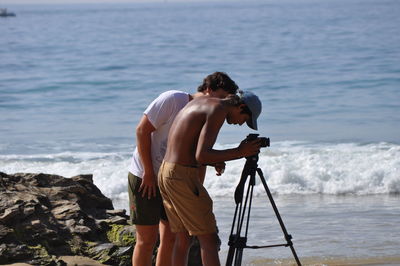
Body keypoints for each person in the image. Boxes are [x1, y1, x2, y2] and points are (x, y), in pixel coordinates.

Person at [128, 72, 239, 266]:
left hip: (173, 180)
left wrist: (202, 178)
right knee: (146, 240)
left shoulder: (207, 113)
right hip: (144, 174)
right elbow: (142, 130)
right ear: (209, 89)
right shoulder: (174, 99)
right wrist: (148, 172)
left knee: (171, 237)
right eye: (221, 97)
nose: (222, 104)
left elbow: (195, 153)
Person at [158, 91, 262, 266]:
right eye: (245, 119)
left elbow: (189, 147)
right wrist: (240, 152)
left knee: (183, 238)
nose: (242, 124)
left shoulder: (207, 102)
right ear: (241, 106)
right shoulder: (218, 110)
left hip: (167, 171)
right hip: (181, 175)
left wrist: (216, 160)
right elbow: (202, 155)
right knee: (210, 239)